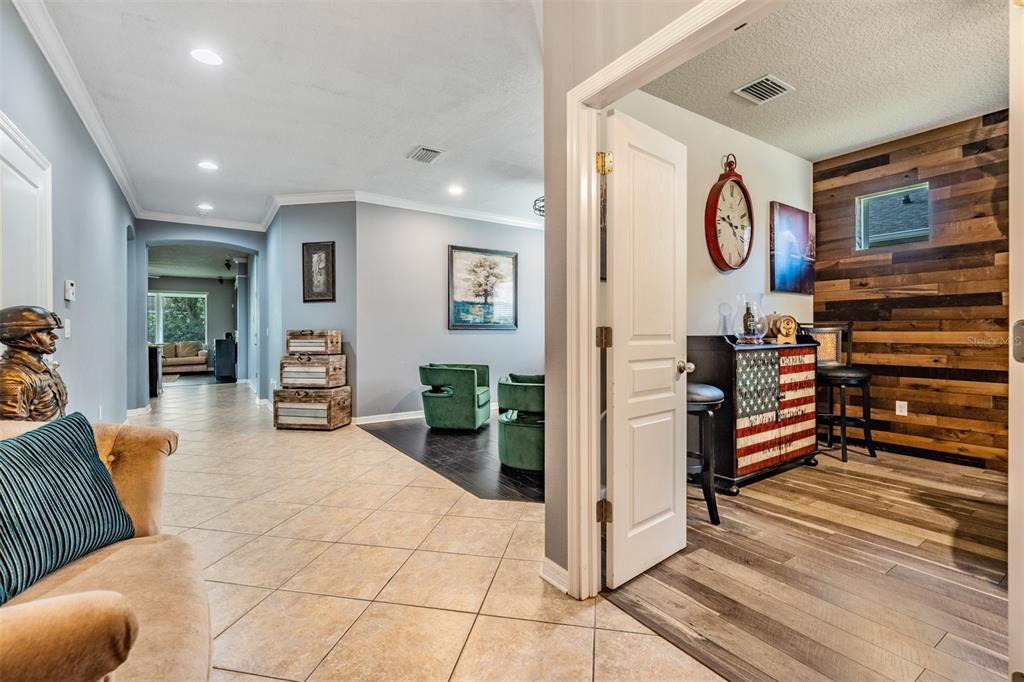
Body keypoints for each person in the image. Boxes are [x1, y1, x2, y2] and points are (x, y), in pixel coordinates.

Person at [0, 305, 68, 421]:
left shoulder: (44, 367)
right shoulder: (12, 376)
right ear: (21, 335)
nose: (54, 337)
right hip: (41, 439)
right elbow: (11, 432)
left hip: (56, 437)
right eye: (45, 332)